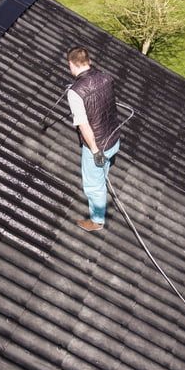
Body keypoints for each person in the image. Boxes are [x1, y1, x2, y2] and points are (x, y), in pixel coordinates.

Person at [66, 46, 120, 232]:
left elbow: (84, 126)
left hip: (98, 146)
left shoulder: (75, 93)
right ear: (88, 61)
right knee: (102, 174)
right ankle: (103, 175)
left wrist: (95, 151)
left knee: (93, 186)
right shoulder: (106, 77)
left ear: (71, 64)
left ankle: (97, 221)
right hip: (114, 137)